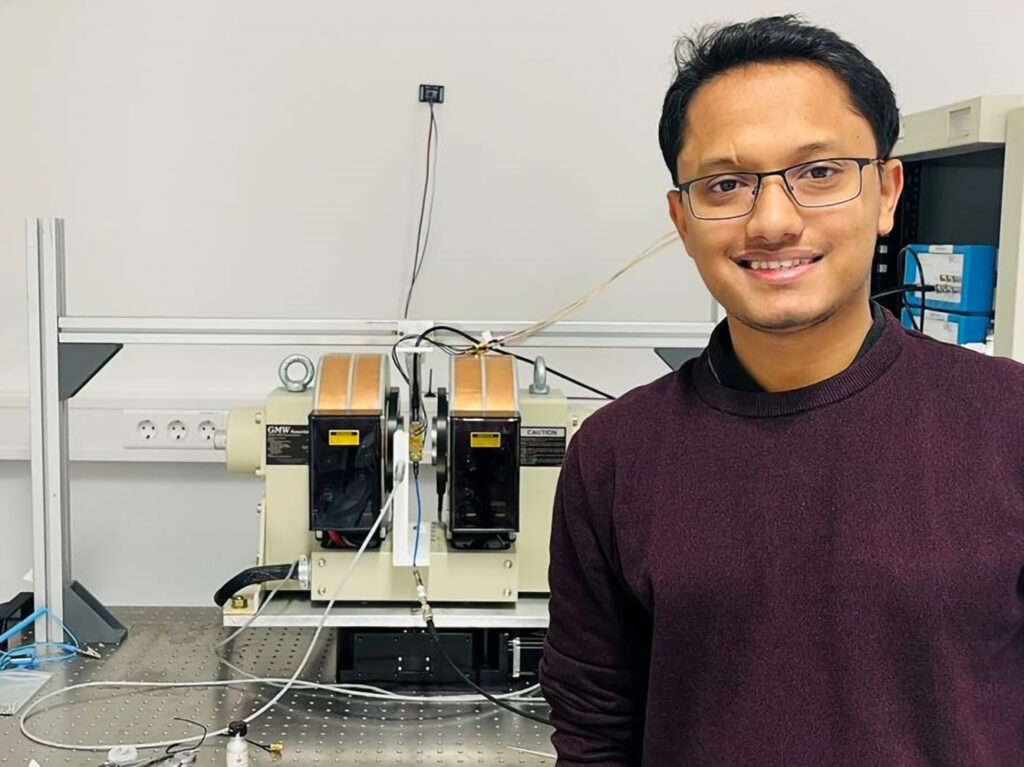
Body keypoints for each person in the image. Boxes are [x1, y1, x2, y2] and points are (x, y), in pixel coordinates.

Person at [539, 14, 1024, 766]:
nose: (773, 220)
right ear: (682, 217)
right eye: (726, 183)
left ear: (887, 191)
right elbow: (595, 732)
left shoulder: (1008, 424)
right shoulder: (615, 457)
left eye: (819, 172)